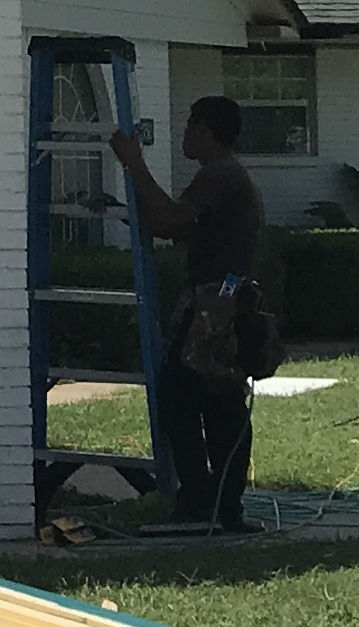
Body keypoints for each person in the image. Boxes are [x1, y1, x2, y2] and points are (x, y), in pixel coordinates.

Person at [109, 94, 266, 534]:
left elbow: (168, 221)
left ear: (205, 130)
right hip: (226, 299)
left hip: (214, 306)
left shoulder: (217, 175)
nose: (183, 135)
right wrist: (126, 211)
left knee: (184, 399)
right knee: (217, 401)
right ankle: (221, 505)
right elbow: (184, 228)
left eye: (189, 126)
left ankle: (201, 503)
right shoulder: (229, 175)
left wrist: (134, 165)